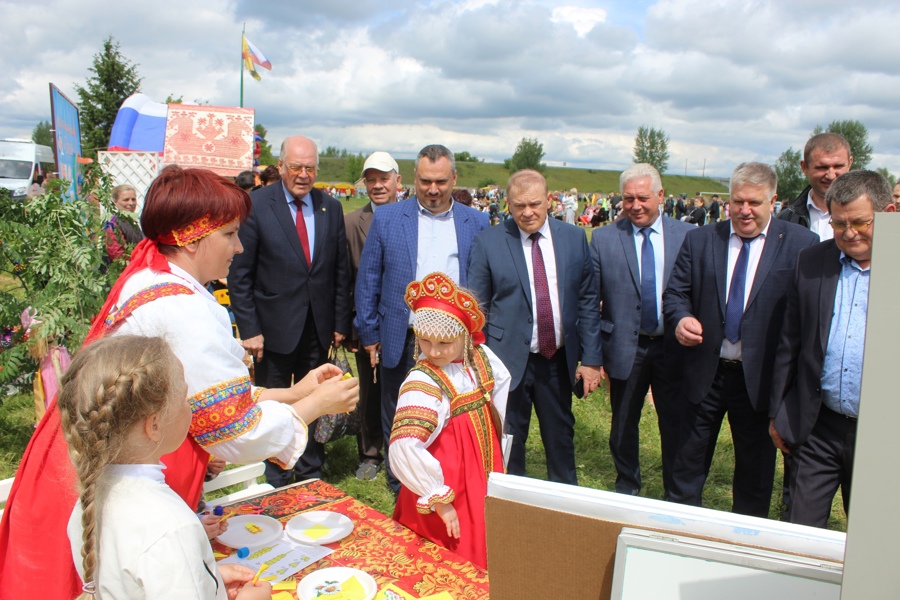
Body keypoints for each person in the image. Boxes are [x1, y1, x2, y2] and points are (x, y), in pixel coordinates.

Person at [0, 165, 358, 598]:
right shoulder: (181, 309)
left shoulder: (154, 277)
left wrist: (294, 392)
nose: (239, 246)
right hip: (107, 483)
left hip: (92, 462)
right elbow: (233, 431)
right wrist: (315, 406)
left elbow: (208, 396)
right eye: (228, 235)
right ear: (191, 238)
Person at [59, 335, 271, 599]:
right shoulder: (172, 528)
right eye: (184, 397)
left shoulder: (87, 503)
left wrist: (210, 582)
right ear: (154, 425)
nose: (190, 405)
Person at [663, 162, 818, 518]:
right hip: (706, 372)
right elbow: (675, 294)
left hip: (759, 379)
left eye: (754, 203)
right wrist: (681, 318)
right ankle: (679, 529)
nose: (744, 211)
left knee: (755, 471)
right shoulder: (701, 239)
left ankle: (746, 539)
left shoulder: (800, 244)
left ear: (773, 200)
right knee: (687, 462)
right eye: (737, 202)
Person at [354, 144, 489, 493]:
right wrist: (369, 333)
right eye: (426, 181)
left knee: (448, 405)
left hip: (453, 338)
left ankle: (442, 476)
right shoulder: (387, 218)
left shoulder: (476, 222)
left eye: (441, 181)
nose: (433, 189)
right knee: (398, 405)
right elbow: (369, 278)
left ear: (454, 178)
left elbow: (480, 280)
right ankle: (401, 484)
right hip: (402, 332)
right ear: (413, 178)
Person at [770, 170, 896, 528]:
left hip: (882, 433)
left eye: (859, 222)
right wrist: (778, 411)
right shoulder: (812, 262)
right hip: (818, 426)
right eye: (839, 224)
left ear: (888, 213)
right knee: (800, 530)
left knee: (873, 538)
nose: (849, 233)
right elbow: (790, 342)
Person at [229, 135, 353, 487]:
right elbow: (241, 274)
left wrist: (339, 323)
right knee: (274, 403)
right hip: (271, 331)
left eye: (310, 168)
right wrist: (249, 328)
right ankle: (275, 475)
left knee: (317, 399)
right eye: (296, 167)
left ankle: (310, 473)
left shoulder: (330, 208)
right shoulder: (256, 205)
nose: (303, 174)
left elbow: (339, 271)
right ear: (281, 166)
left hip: (317, 327)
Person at [468, 169, 602, 485]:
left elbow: (587, 301)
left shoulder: (574, 239)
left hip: (556, 359)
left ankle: (565, 503)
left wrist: (593, 360)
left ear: (549, 200)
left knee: (560, 437)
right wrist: (478, 361)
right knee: (510, 437)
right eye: (518, 206)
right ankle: (512, 502)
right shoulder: (489, 242)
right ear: (507, 205)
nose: (527, 212)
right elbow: (477, 307)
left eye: (535, 204)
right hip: (507, 361)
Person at [390, 272, 509, 569]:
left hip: (481, 469)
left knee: (484, 538)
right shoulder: (423, 382)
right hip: (449, 480)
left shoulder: (481, 359)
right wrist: (438, 498)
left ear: (465, 336)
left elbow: (501, 392)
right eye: (425, 341)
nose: (433, 351)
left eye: (445, 342)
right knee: (446, 554)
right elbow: (405, 446)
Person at [589, 164, 693, 497]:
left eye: (643, 198)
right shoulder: (605, 238)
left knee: (675, 425)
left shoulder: (688, 236)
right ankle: (627, 484)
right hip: (624, 347)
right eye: (628, 198)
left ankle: (675, 493)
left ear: (661, 196)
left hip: (674, 348)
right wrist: (592, 355)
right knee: (622, 425)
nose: (635, 205)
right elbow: (590, 302)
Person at [345, 151, 401, 480]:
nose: (378, 185)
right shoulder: (352, 222)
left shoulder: (414, 218)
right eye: (371, 180)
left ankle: (404, 449)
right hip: (368, 322)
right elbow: (345, 277)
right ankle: (370, 452)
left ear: (397, 180)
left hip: (406, 322)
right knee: (370, 390)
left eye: (384, 178)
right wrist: (354, 327)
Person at [777, 133, 853, 241]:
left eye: (838, 166)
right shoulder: (784, 221)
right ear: (804, 167)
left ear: (850, 163)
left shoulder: (872, 217)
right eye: (822, 167)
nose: (831, 176)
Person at [104, 184, 144, 261]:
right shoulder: (111, 223)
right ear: (115, 202)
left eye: (133, 199)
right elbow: (116, 255)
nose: (131, 203)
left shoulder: (131, 221)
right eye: (126, 200)